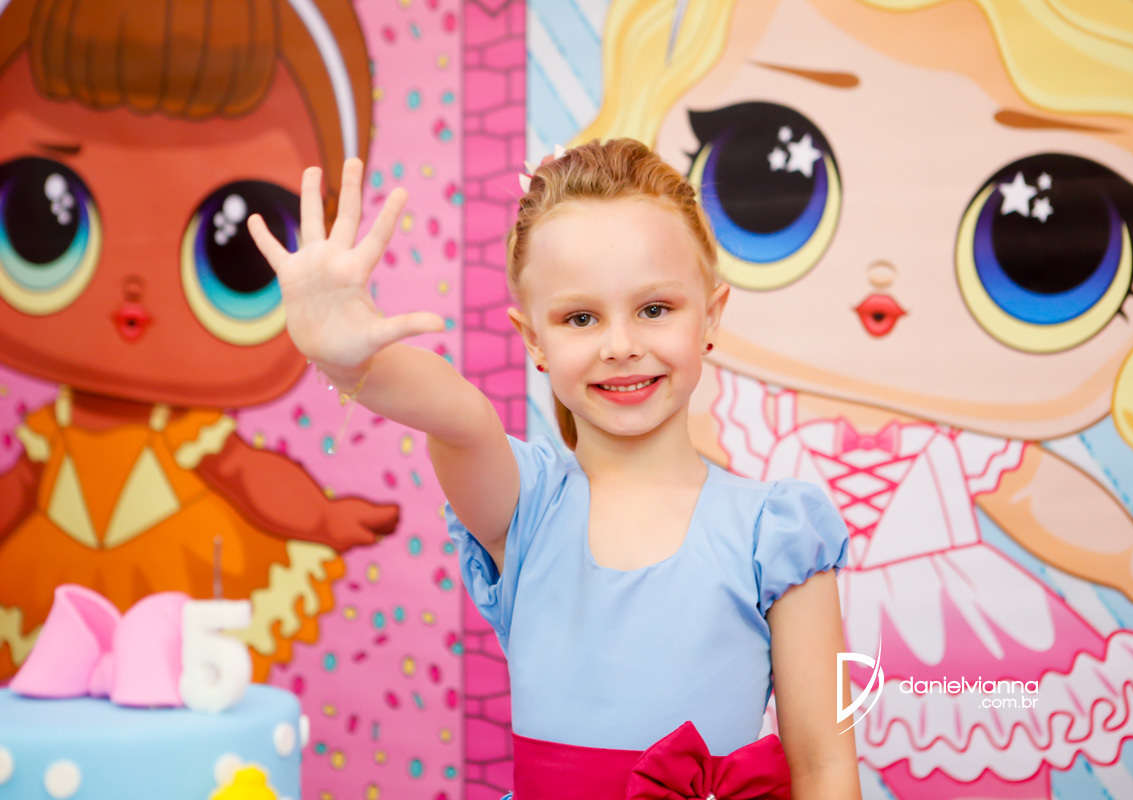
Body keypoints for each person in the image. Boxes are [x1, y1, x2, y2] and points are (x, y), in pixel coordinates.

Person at [572, 1, 1133, 797]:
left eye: (1033, 250)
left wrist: (1129, 553)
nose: (885, 278)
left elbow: (1033, 494)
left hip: (949, 648)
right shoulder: (746, 416)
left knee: (980, 762)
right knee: (789, 763)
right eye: (778, 177)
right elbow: (656, 460)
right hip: (784, 649)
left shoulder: (960, 440)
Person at [248, 138, 861, 799]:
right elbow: (458, 414)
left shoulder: (778, 531)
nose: (620, 345)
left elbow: (825, 766)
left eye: (655, 309)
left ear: (710, 316)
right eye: (581, 317)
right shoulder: (526, 504)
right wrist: (354, 360)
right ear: (534, 339)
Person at [0, 0, 393, 682]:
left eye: (231, 251)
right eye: (44, 219)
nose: (131, 301)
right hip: (51, 581)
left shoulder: (189, 436)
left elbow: (251, 480)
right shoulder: (50, 435)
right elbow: (17, 493)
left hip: (179, 577)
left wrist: (322, 518)